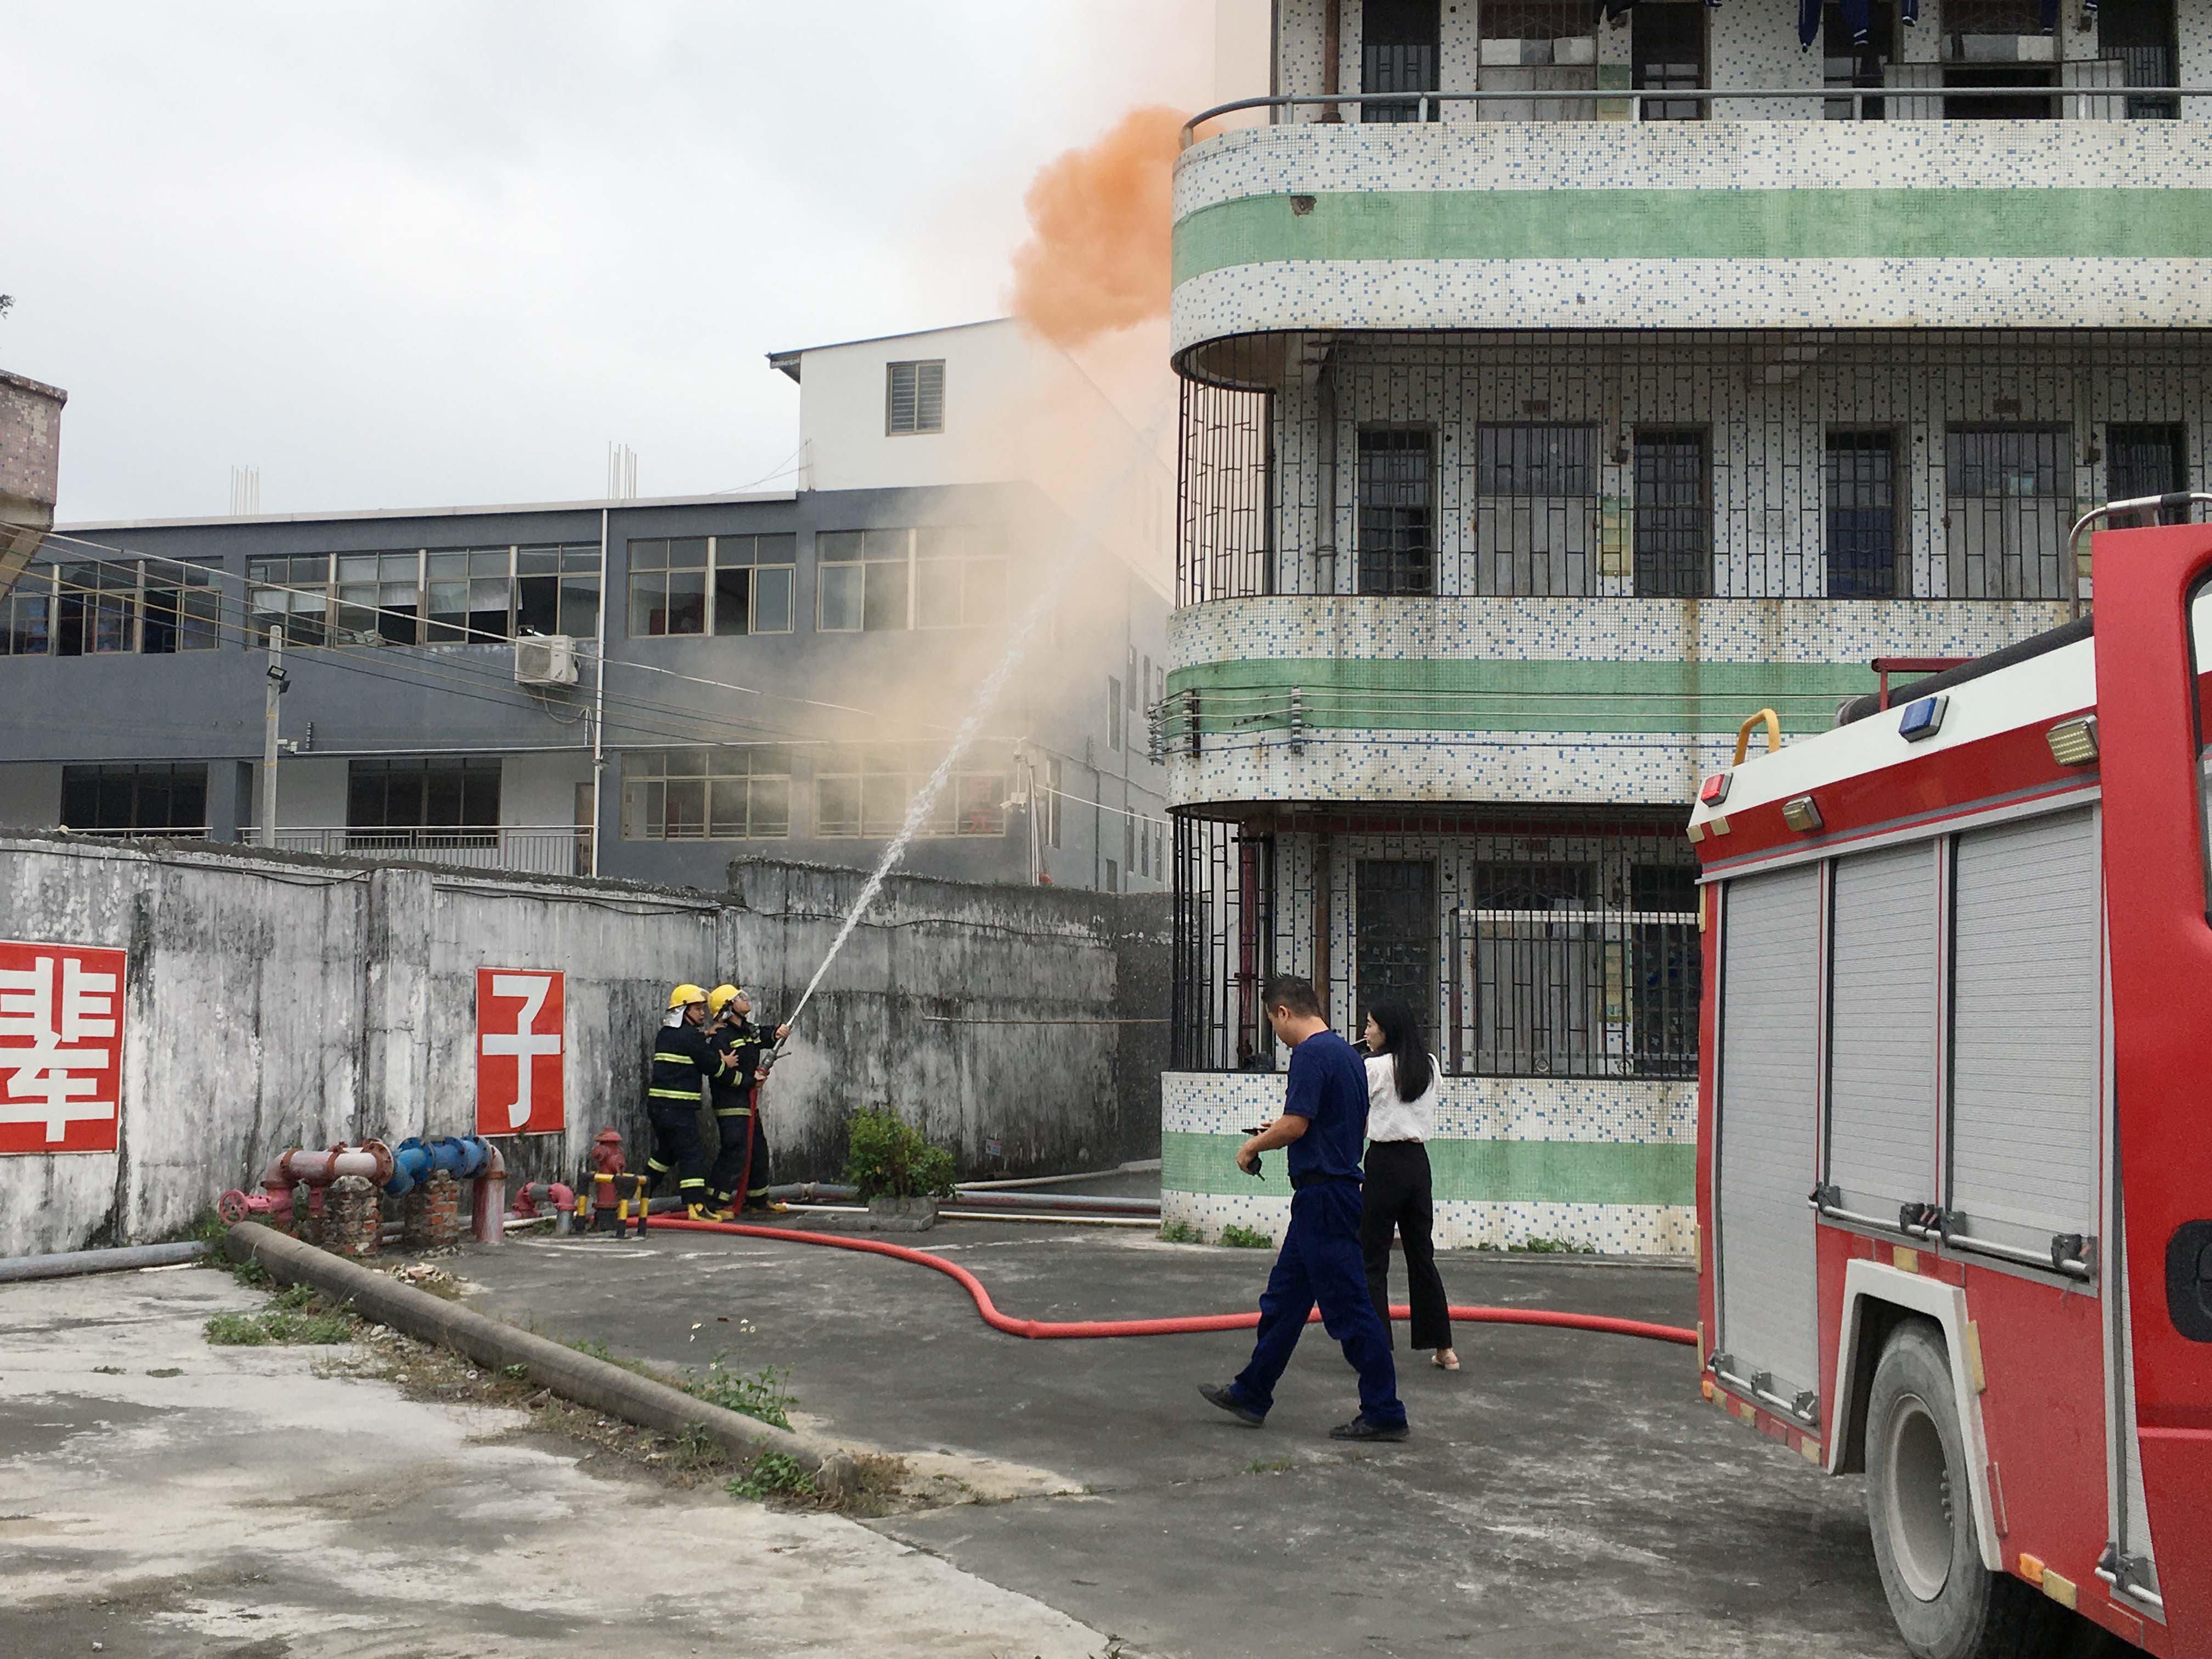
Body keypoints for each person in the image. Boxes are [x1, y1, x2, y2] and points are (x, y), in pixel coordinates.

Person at [1199, 975, 1408, 1441]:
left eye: (1273, 1022)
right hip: (1328, 1194)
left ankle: (1384, 1411)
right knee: (1285, 1301)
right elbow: (1343, 1123)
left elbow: (1296, 1125)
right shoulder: (1347, 1056)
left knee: (1350, 1308)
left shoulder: (1310, 1055)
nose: (1276, 1033)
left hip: (1324, 1197)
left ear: (1284, 1012)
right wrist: (1288, 1129)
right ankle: (1252, 1392)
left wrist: (1253, 1146)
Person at [1359, 1000, 1457, 1372]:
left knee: (1372, 1258)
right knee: (1421, 1256)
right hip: (1418, 1165)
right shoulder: (1429, 1064)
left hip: (1384, 1163)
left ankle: (1376, 1347)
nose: (1366, 1032)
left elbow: (1361, 1117)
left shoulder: (1373, 1067)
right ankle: (1444, 1348)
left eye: (1370, 1025)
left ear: (1386, 1031)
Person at [645, 983, 735, 1220]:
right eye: (697, 1009)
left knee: (667, 1152)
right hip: (679, 1109)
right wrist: (726, 1063)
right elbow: (712, 1067)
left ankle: (640, 1191)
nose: (703, 1013)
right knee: (692, 1153)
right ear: (683, 1011)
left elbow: (687, 1044)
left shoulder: (666, 1034)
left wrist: (705, 1035)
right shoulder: (691, 1038)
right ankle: (696, 1206)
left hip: (658, 1108)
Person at [704, 985, 793, 1217]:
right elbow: (722, 1074)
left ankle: (758, 1200)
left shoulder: (746, 1031)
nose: (745, 999)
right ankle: (714, 1203)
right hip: (730, 1103)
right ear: (729, 1007)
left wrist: (778, 1032)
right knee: (735, 1150)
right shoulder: (721, 1037)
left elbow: (762, 1035)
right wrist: (750, 1081)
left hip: (747, 1102)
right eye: (739, 998)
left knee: (757, 1150)